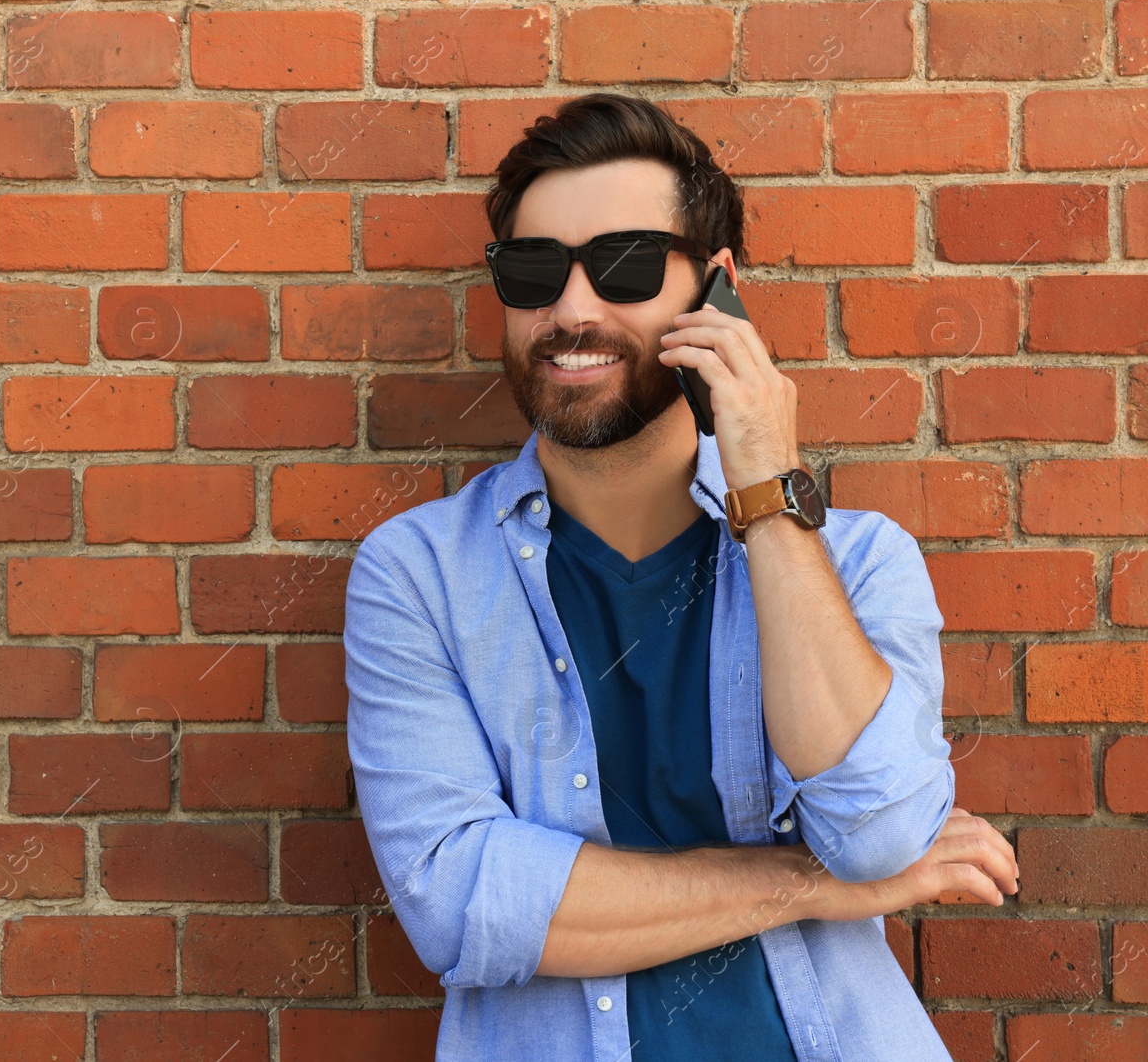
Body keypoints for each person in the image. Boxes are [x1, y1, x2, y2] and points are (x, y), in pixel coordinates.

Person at [343, 93, 1020, 1062]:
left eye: (622, 265)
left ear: (716, 291)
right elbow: (461, 904)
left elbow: (872, 831)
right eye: (534, 271)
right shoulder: (420, 576)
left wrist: (766, 489)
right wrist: (820, 886)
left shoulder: (861, 560)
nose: (572, 310)